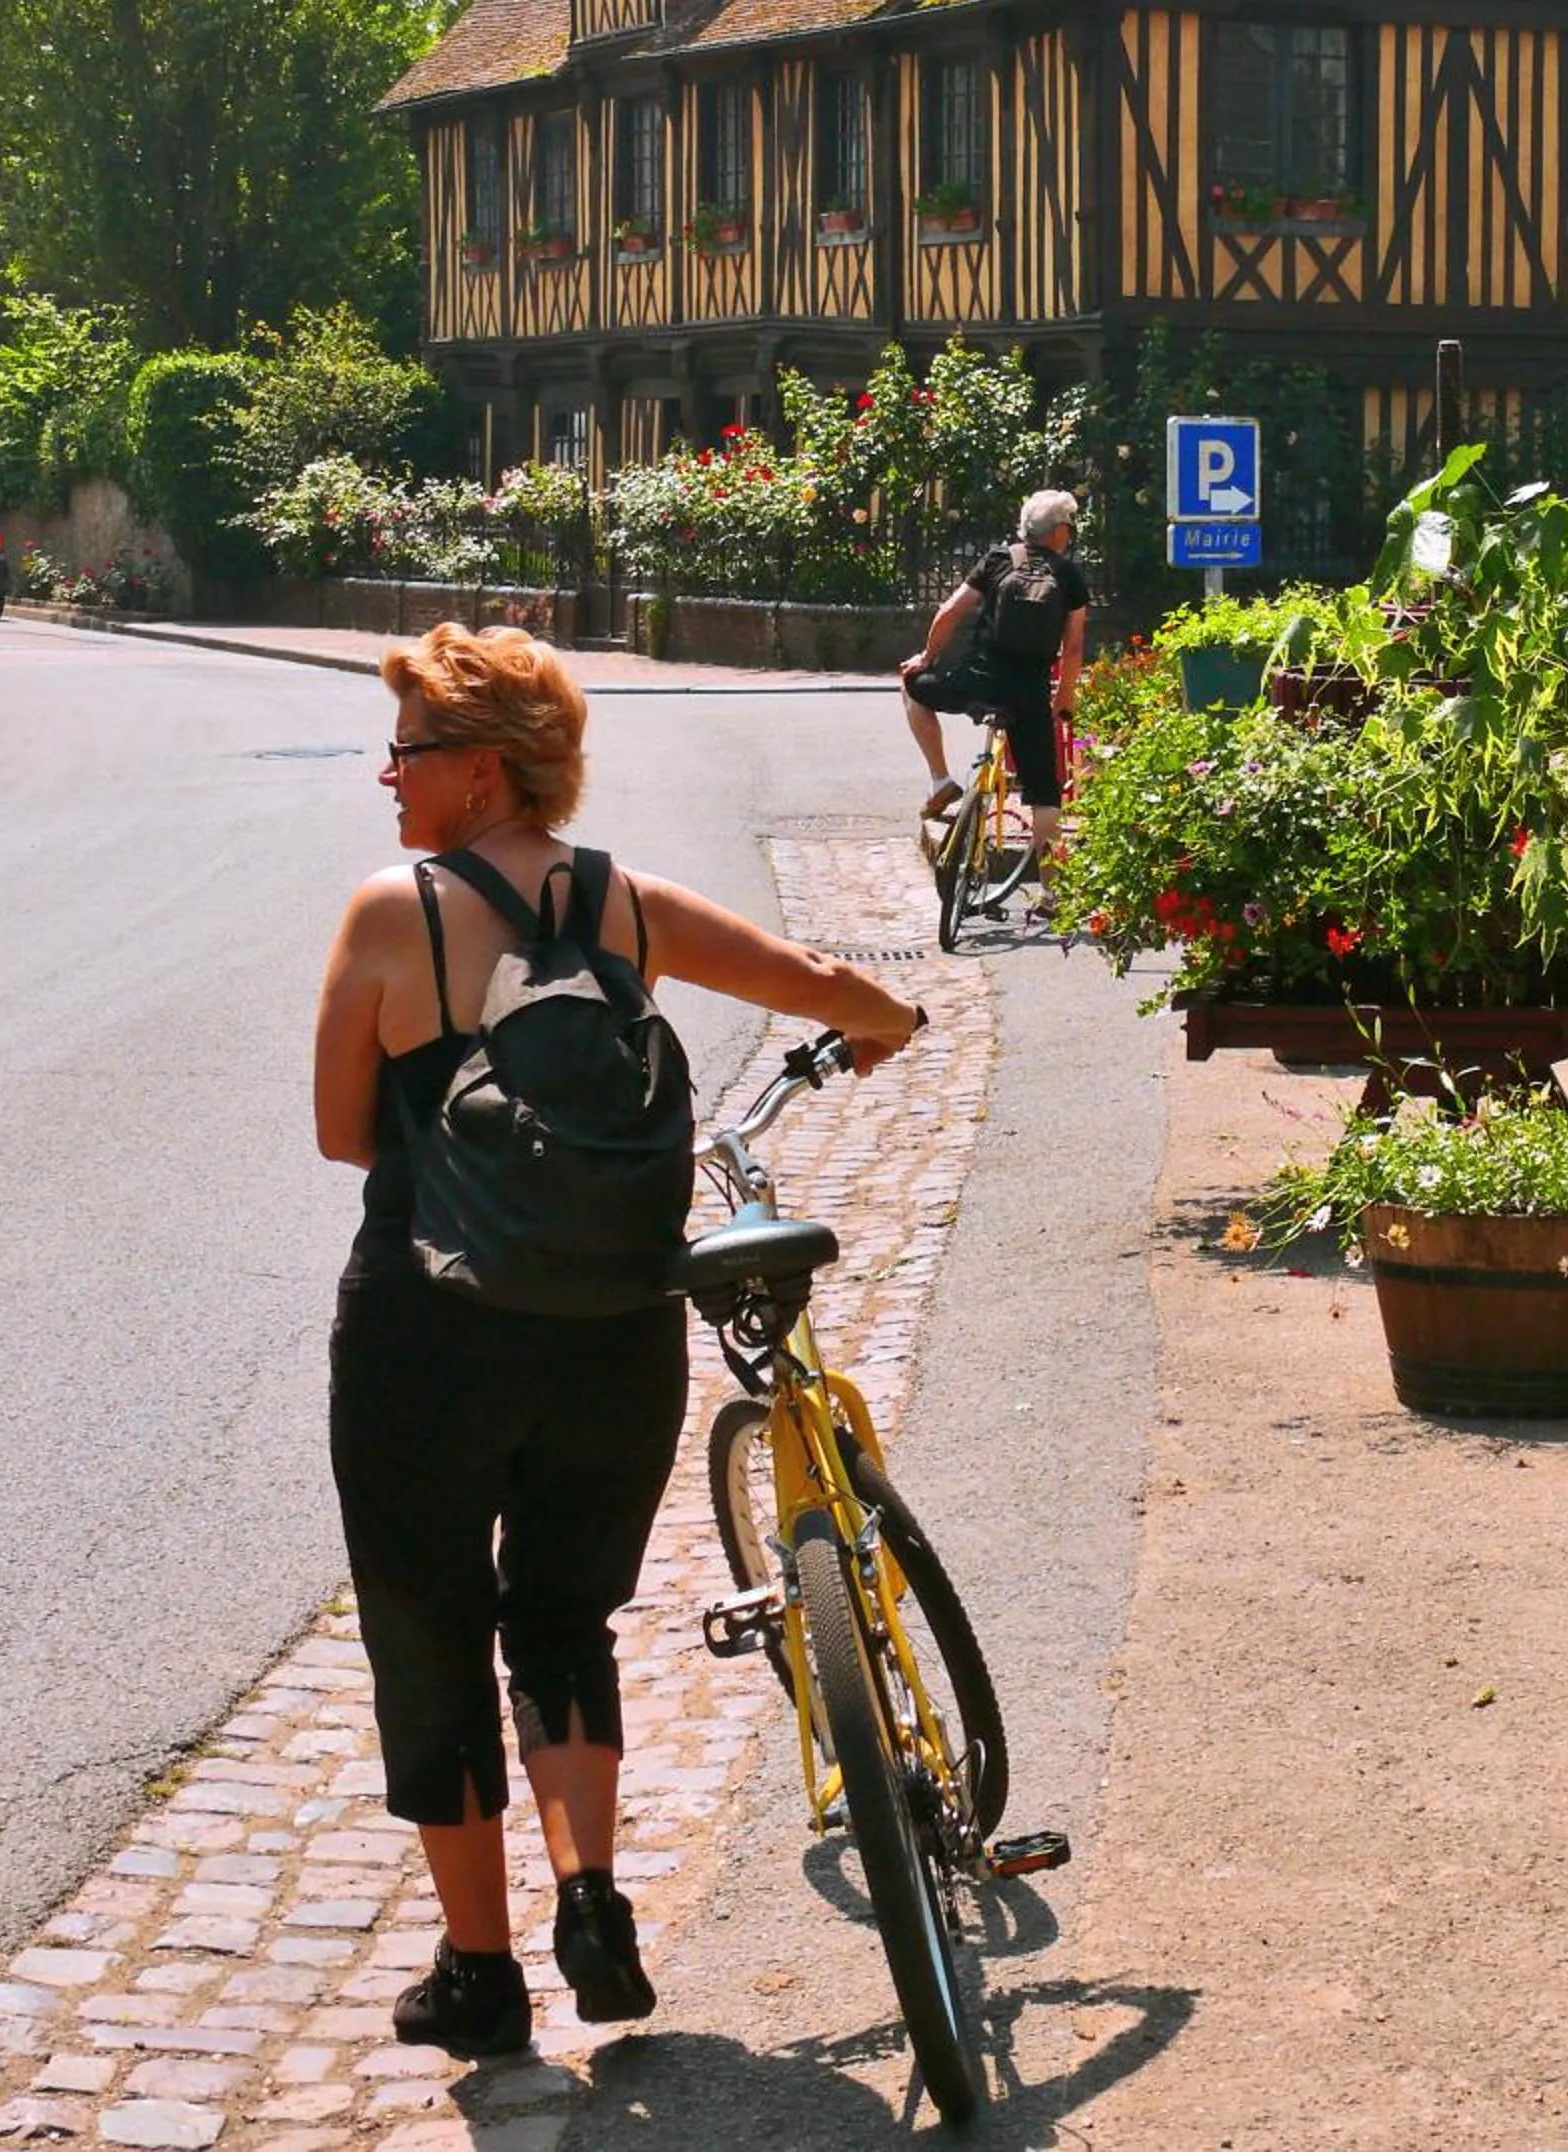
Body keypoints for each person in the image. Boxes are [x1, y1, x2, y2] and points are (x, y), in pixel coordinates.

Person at [313, 621, 921, 2059]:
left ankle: (481, 1968)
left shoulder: (393, 911)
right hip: (615, 1330)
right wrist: (886, 1020)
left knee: (430, 1630)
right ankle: (592, 1897)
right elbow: (821, 983)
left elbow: (345, 1134)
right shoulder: (625, 904)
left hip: (426, 1331)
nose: (385, 777)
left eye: (406, 750)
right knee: (565, 1619)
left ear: (477, 773)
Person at [900, 486, 1088, 869]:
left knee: (911, 687)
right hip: (1029, 694)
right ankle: (1052, 894)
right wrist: (1064, 698)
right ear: (1056, 532)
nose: (1070, 533)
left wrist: (927, 657)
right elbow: (1073, 647)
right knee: (1045, 794)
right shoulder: (1068, 575)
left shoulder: (999, 559)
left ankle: (941, 780)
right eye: (1069, 525)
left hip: (978, 678)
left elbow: (949, 612)